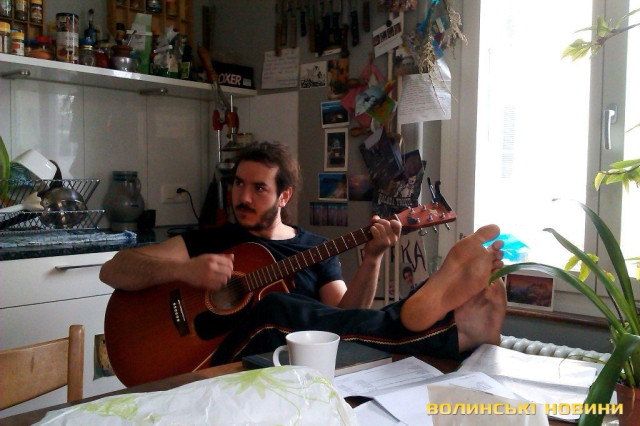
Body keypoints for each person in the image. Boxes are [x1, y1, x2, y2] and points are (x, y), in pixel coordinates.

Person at [100, 141, 506, 367]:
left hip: (290, 366)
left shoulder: (314, 248)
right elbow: (114, 269)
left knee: (294, 312)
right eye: (238, 184)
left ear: (284, 196)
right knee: (275, 306)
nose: (242, 196)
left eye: (258, 188)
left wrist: (372, 259)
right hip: (214, 358)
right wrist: (185, 271)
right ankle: (446, 327)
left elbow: (346, 318)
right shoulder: (210, 240)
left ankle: (450, 325)